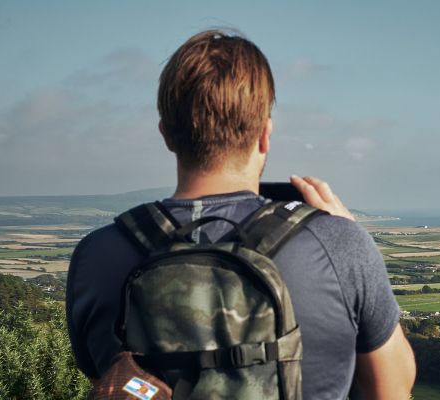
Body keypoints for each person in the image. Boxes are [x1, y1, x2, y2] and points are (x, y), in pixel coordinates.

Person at [66, 29, 415, 399]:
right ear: (264, 135)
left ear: (166, 134)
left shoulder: (97, 257)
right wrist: (346, 233)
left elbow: (113, 384)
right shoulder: (339, 246)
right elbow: (392, 389)